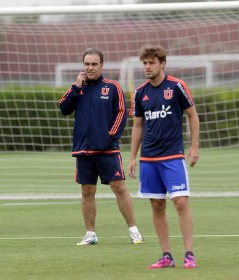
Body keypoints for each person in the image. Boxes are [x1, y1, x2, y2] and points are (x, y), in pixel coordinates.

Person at [60, 48, 143, 246]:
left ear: (101, 66)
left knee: (119, 187)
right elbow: (64, 108)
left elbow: (122, 113)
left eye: (94, 64)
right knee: (87, 191)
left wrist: (110, 137)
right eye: (87, 64)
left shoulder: (112, 87)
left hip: (107, 149)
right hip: (83, 150)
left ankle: (134, 231)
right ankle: (90, 234)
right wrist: (75, 87)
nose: (90, 68)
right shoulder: (77, 88)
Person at [128, 45, 199, 269]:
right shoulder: (140, 93)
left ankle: (189, 253)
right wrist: (132, 156)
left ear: (162, 64)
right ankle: (166, 255)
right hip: (149, 159)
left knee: (180, 201)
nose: (147, 67)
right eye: (145, 63)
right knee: (157, 205)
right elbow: (138, 125)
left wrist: (194, 147)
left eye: (151, 63)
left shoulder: (177, 86)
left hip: (173, 157)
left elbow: (193, 115)